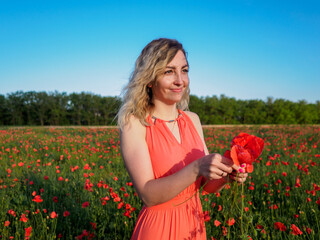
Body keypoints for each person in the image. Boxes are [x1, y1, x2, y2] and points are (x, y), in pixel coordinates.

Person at [118, 38, 248, 240]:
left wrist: (226, 176)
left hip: (193, 227)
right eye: (168, 72)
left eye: (184, 70)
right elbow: (148, 195)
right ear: (149, 79)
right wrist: (197, 167)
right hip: (158, 229)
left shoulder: (193, 120)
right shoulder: (134, 123)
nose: (180, 80)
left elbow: (207, 185)